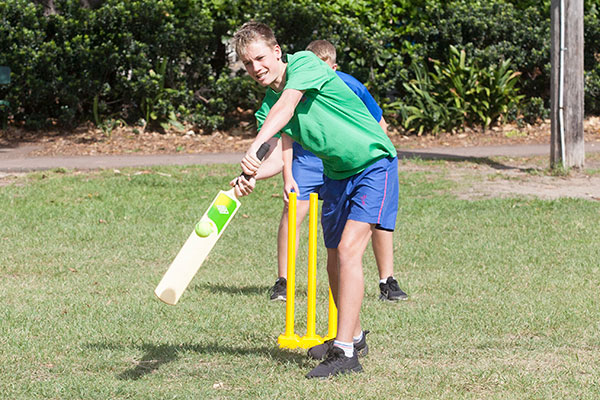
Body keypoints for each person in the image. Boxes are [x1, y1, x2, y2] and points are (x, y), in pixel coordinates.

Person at [231, 21, 400, 378]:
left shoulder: (305, 64)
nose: (255, 68)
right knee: (335, 259)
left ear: (277, 52)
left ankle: (344, 354)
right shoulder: (267, 107)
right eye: (247, 63)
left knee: (351, 250)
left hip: (373, 163)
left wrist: (252, 148)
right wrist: (249, 176)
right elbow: (275, 158)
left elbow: (288, 107)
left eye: (260, 58)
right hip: (337, 175)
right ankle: (352, 335)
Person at [262, 40, 407, 303]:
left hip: (365, 162)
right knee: (330, 245)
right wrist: (255, 173)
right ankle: (285, 281)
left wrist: (379, 156)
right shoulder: (274, 98)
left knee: (356, 241)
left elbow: (378, 123)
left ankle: (387, 280)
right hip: (316, 163)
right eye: (248, 63)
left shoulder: (344, 82)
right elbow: (278, 143)